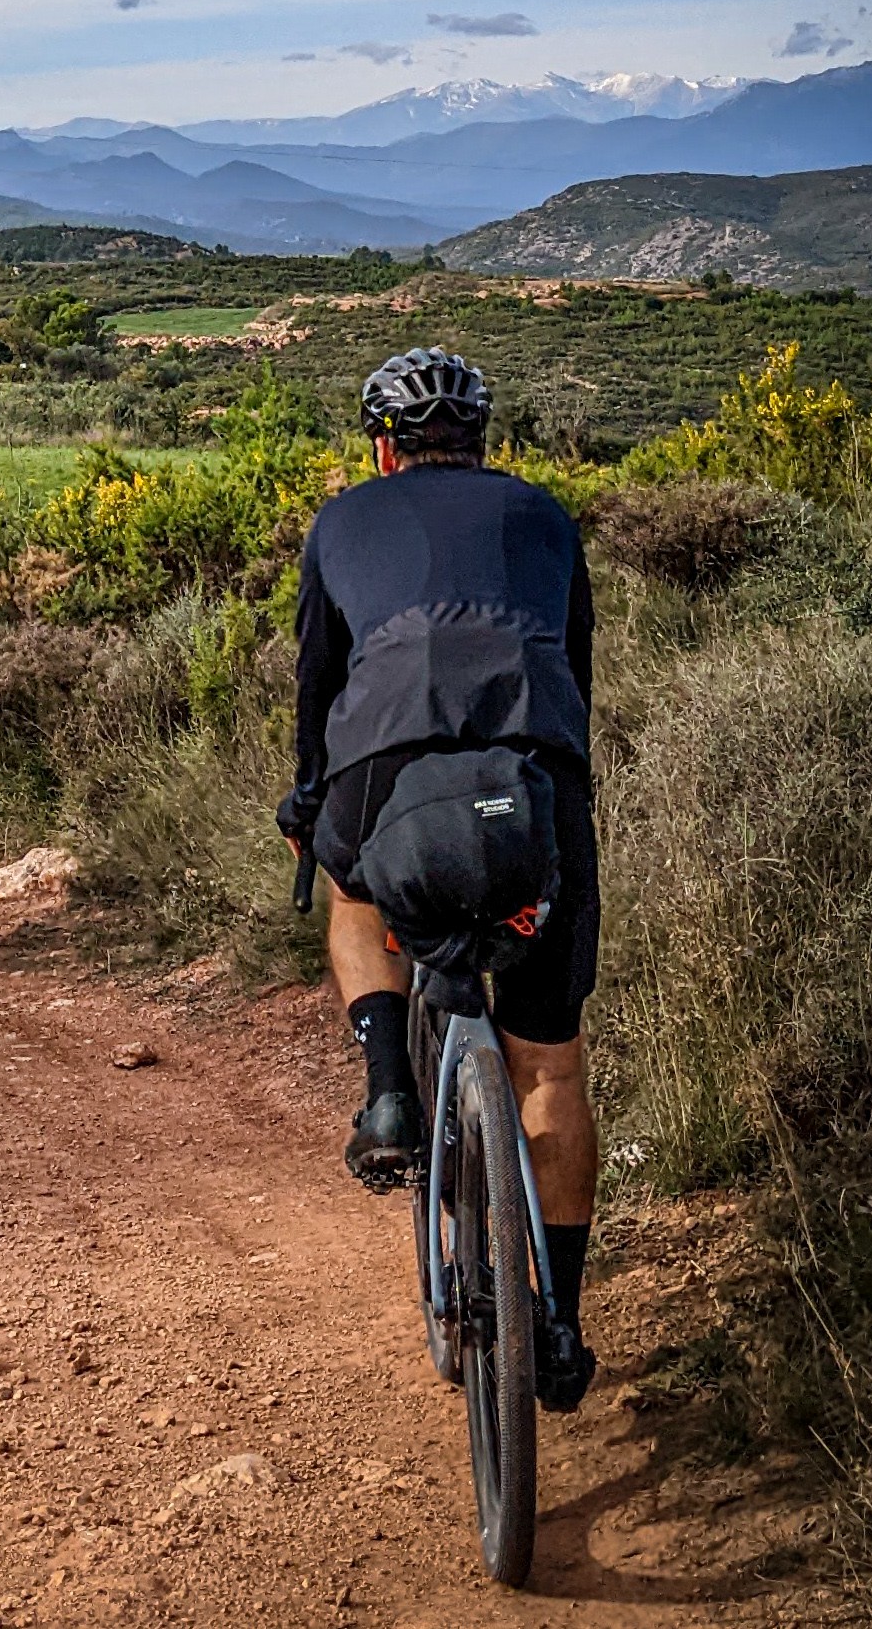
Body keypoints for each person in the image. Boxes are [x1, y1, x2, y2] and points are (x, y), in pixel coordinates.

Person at [281, 349, 600, 1412]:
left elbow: (316, 686)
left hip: (382, 763)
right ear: (482, 439)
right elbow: (577, 669)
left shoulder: (340, 521)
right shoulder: (543, 515)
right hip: (533, 772)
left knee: (353, 898)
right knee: (547, 1061)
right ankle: (554, 1321)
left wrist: (303, 803)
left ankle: (385, 1094)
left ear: (382, 444)